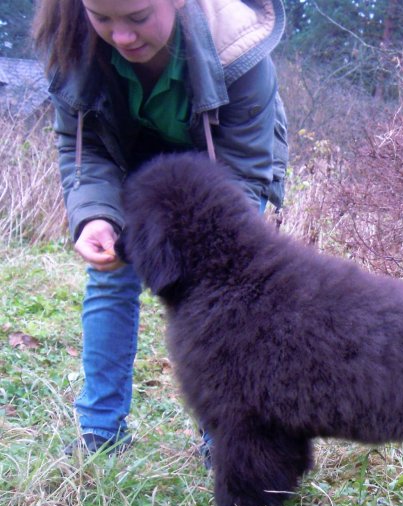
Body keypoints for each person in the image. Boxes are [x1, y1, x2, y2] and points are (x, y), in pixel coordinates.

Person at [32, 0, 288, 457]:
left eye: (137, 17)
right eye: (102, 18)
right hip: (132, 161)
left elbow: (246, 171)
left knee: (221, 297)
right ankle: (100, 431)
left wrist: (203, 241)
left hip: (220, 172)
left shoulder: (240, 50)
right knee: (109, 278)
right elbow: (82, 145)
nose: (122, 36)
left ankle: (226, 436)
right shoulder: (71, 43)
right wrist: (95, 215)